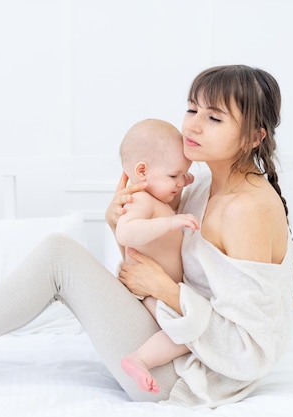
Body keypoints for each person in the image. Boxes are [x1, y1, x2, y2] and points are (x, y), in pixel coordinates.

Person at [0, 64, 293, 408]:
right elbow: (152, 255)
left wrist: (167, 291)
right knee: (61, 258)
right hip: (165, 336)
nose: (193, 125)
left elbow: (252, 351)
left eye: (215, 118)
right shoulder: (198, 186)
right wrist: (119, 219)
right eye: (192, 108)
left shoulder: (248, 210)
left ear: (254, 136)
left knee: (58, 256)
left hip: (187, 378)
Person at [115, 118, 199, 394]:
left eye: (183, 175)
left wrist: (181, 178)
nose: (180, 183)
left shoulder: (158, 199)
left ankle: (142, 357)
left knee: (188, 329)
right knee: (188, 335)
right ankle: (139, 360)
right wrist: (170, 224)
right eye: (174, 176)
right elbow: (125, 233)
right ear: (142, 171)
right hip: (147, 293)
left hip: (160, 289)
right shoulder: (139, 200)